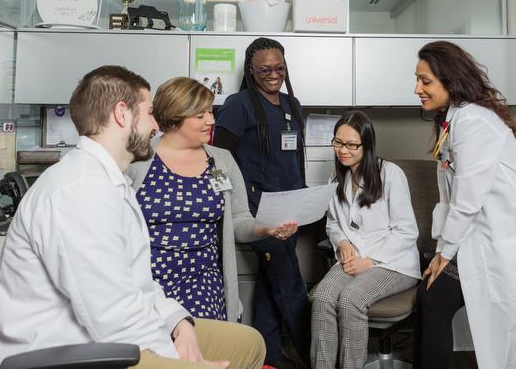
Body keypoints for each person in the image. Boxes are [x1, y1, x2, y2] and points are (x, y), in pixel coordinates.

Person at [0, 65, 265, 369]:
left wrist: (179, 324)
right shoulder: (81, 190)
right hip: (66, 350)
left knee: (249, 344)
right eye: (149, 114)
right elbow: (111, 316)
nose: (157, 126)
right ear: (122, 114)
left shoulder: (113, 182)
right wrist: (182, 359)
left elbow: (138, 283)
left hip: (112, 330)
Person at [412, 41, 516, 369]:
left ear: (450, 80)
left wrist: (444, 255)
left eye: (425, 81)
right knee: (428, 298)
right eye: (417, 79)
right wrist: (442, 251)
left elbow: (467, 199)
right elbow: (452, 199)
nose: (417, 88)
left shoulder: (474, 121)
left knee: (434, 301)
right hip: (474, 236)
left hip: (502, 235)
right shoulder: (453, 121)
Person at [125, 77, 297, 323]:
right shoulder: (136, 161)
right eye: (200, 115)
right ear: (174, 119)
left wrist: (265, 229)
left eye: (210, 111)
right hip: (145, 281)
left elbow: (238, 220)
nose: (211, 120)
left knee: (205, 349)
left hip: (203, 281)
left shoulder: (221, 160)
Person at [213, 37, 309, 369]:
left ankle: (269, 355)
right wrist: (226, 204)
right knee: (290, 284)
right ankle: (318, 356)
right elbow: (217, 158)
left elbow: (296, 156)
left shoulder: (292, 104)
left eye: (279, 67)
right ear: (251, 70)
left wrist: (305, 194)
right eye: (264, 69)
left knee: (271, 282)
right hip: (258, 211)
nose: (273, 74)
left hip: (291, 205)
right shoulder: (239, 104)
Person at [310, 111, 420, 369]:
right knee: (322, 297)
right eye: (338, 142)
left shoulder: (390, 174)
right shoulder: (337, 178)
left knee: (350, 300)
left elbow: (406, 231)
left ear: (366, 144)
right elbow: (334, 223)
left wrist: (369, 261)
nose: (343, 150)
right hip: (353, 257)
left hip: (392, 262)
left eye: (351, 145)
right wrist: (342, 243)